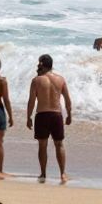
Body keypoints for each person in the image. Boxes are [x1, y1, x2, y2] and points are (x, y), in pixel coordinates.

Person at [26, 54, 72, 184]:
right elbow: (68, 100)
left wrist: (28, 117)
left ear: (42, 65)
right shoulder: (60, 79)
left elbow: (31, 101)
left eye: (38, 64)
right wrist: (69, 114)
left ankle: (43, 173)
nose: (37, 66)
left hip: (41, 115)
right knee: (60, 144)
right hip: (56, 115)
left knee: (42, 145)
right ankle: (62, 174)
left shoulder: (36, 80)